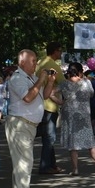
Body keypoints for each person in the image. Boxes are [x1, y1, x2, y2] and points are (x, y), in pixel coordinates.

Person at [6, 49, 57, 188]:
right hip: (19, 124)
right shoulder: (17, 78)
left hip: (29, 125)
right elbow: (28, 97)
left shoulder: (33, 78)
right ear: (22, 63)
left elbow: (45, 95)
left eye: (36, 60)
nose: (36, 63)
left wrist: (49, 81)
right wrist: (40, 80)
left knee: (21, 163)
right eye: (33, 60)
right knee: (24, 163)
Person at [58, 62, 95, 176]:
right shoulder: (87, 83)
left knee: (73, 144)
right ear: (81, 72)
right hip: (83, 115)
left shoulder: (63, 84)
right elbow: (91, 94)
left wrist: (60, 102)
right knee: (90, 143)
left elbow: (51, 93)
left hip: (69, 115)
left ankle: (75, 169)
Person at [36, 42, 65, 174]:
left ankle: (51, 165)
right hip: (50, 105)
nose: (61, 53)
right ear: (54, 51)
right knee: (50, 137)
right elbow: (64, 84)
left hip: (39, 104)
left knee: (48, 136)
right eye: (59, 50)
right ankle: (45, 166)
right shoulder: (53, 66)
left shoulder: (40, 63)